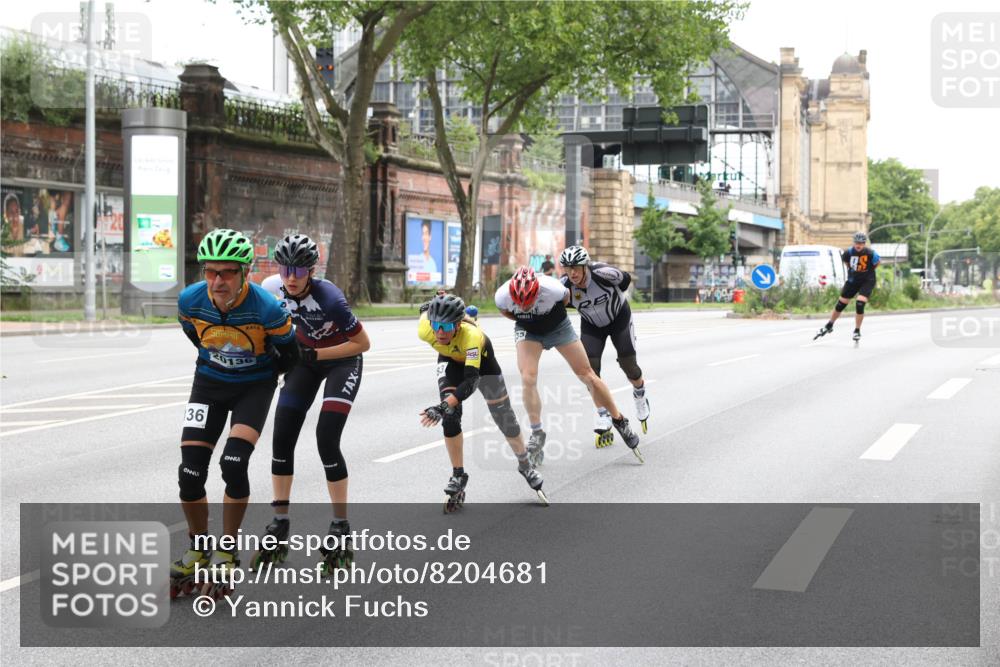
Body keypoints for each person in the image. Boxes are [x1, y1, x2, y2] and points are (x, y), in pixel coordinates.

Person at [170, 229, 299, 599]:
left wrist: (260, 372)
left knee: (233, 463)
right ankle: (198, 548)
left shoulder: (267, 309)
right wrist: (221, 359)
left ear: (244, 272)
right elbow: (194, 335)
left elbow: (290, 356)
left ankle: (227, 549)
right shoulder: (189, 300)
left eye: (226, 272)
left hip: (253, 388)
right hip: (208, 384)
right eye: (210, 272)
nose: (217, 280)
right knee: (189, 472)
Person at [253, 234, 371, 573]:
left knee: (326, 439)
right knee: (281, 437)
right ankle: (279, 521)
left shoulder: (330, 297)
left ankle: (340, 525)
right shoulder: (272, 286)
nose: (291, 277)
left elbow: (363, 343)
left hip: (341, 360)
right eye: (286, 268)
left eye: (299, 271)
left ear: (311, 271)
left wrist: (314, 353)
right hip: (305, 361)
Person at [495, 266, 643, 464]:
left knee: (587, 375)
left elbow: (566, 300)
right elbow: (506, 312)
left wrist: (546, 319)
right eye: (519, 302)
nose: (524, 306)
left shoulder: (553, 288)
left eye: (528, 301)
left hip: (558, 327)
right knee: (527, 377)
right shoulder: (502, 296)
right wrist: (529, 318)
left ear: (537, 291)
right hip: (529, 330)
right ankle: (537, 433)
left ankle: (618, 419)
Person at [417, 293, 547, 511]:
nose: (439, 332)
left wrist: (441, 406)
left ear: (458, 325)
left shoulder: (472, 336)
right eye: (436, 325)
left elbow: (471, 380)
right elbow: (424, 310)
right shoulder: (425, 329)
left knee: (504, 417)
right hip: (450, 361)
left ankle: (525, 464)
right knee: (450, 416)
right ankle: (458, 475)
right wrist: (430, 302)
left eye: (446, 327)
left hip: (482, 367)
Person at [559, 246, 650, 446]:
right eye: (568, 268)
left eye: (576, 267)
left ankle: (640, 394)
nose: (572, 272)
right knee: (590, 371)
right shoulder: (564, 287)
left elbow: (625, 281)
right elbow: (556, 309)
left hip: (619, 318)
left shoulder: (603, 273)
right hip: (592, 326)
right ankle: (602, 413)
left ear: (585, 266)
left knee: (629, 365)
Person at [815, 231, 881, 344]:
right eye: (857, 243)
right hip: (853, 280)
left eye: (861, 243)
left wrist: (867, 271)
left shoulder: (871, 253)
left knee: (860, 303)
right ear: (854, 243)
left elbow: (877, 263)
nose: (858, 245)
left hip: (867, 280)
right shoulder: (847, 253)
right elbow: (847, 264)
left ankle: (857, 330)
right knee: (841, 304)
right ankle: (829, 324)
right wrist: (855, 272)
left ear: (864, 243)